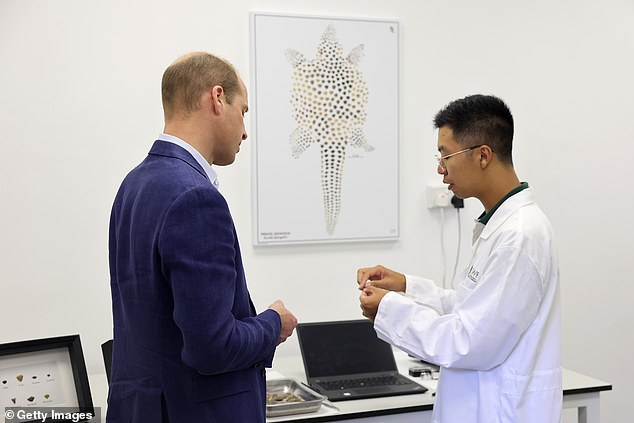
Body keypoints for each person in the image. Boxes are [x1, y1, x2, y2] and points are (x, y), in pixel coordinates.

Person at [107, 52, 297, 422]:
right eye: (243, 111)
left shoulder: (132, 185)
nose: (245, 131)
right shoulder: (196, 197)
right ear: (217, 98)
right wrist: (274, 323)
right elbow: (212, 347)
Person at [358, 95, 561, 423]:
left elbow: (471, 341)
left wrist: (390, 310)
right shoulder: (498, 225)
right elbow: (472, 309)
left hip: (501, 413)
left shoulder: (519, 235)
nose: (440, 169)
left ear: (483, 155)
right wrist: (406, 287)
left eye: (446, 155)